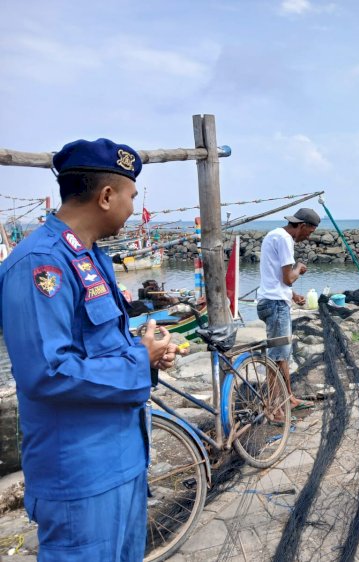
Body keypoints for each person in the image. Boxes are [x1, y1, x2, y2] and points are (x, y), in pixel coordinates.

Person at [0, 138, 182, 561]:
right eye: (130, 197)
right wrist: (140, 361)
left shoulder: (89, 257)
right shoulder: (41, 263)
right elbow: (47, 371)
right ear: (105, 196)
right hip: (80, 476)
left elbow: (98, 347)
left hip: (121, 460)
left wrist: (146, 354)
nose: (133, 208)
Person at [256, 207, 320, 413]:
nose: (308, 238)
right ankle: (274, 409)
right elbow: (288, 277)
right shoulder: (284, 239)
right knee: (276, 357)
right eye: (309, 232)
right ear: (301, 226)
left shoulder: (275, 235)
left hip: (273, 300)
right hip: (275, 305)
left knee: (282, 355)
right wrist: (299, 268)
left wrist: (292, 295)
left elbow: (276, 277)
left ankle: (289, 398)